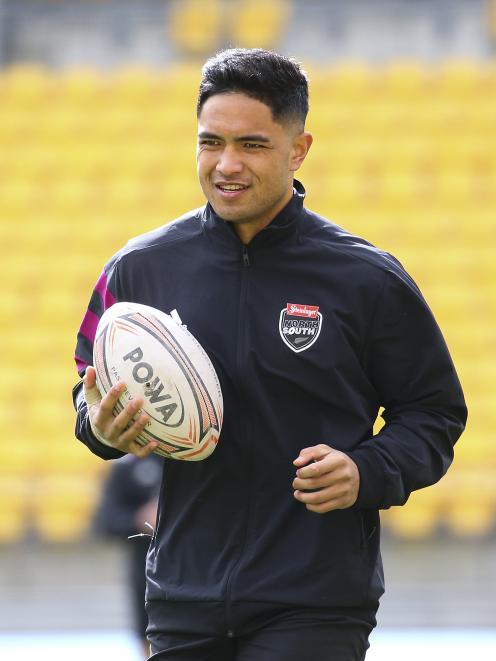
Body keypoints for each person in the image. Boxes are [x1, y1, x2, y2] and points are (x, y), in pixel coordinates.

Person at [73, 48, 467, 660]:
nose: (226, 164)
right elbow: (87, 388)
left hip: (314, 602)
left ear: (299, 148)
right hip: (183, 596)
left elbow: (434, 414)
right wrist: (100, 427)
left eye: (252, 145)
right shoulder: (137, 271)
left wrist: (368, 470)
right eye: (211, 142)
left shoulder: (366, 279)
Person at [92, 453, 163, 658]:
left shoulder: (190, 459)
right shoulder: (126, 467)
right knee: (147, 632)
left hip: (195, 568)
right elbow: (106, 522)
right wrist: (140, 519)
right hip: (145, 571)